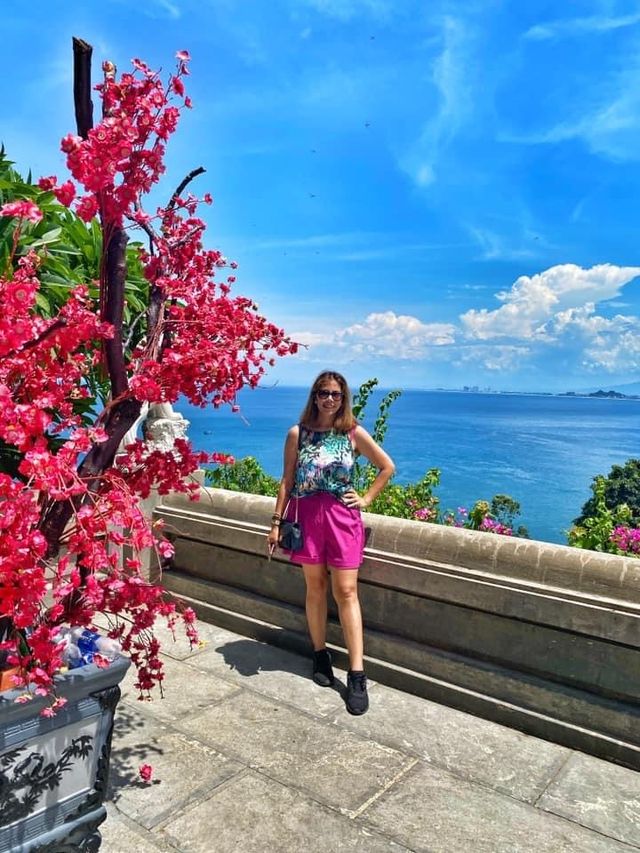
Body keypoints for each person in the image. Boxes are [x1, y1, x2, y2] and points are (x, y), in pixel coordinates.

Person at [267, 371, 395, 715]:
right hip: (307, 518)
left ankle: (356, 673)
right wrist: (276, 524)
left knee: (347, 591)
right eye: (323, 393)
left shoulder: (352, 433)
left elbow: (386, 467)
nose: (329, 399)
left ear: (343, 398)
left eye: (336, 394)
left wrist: (366, 498)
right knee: (315, 587)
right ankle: (320, 654)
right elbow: (287, 480)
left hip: (342, 519)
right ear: (314, 396)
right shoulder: (299, 434)